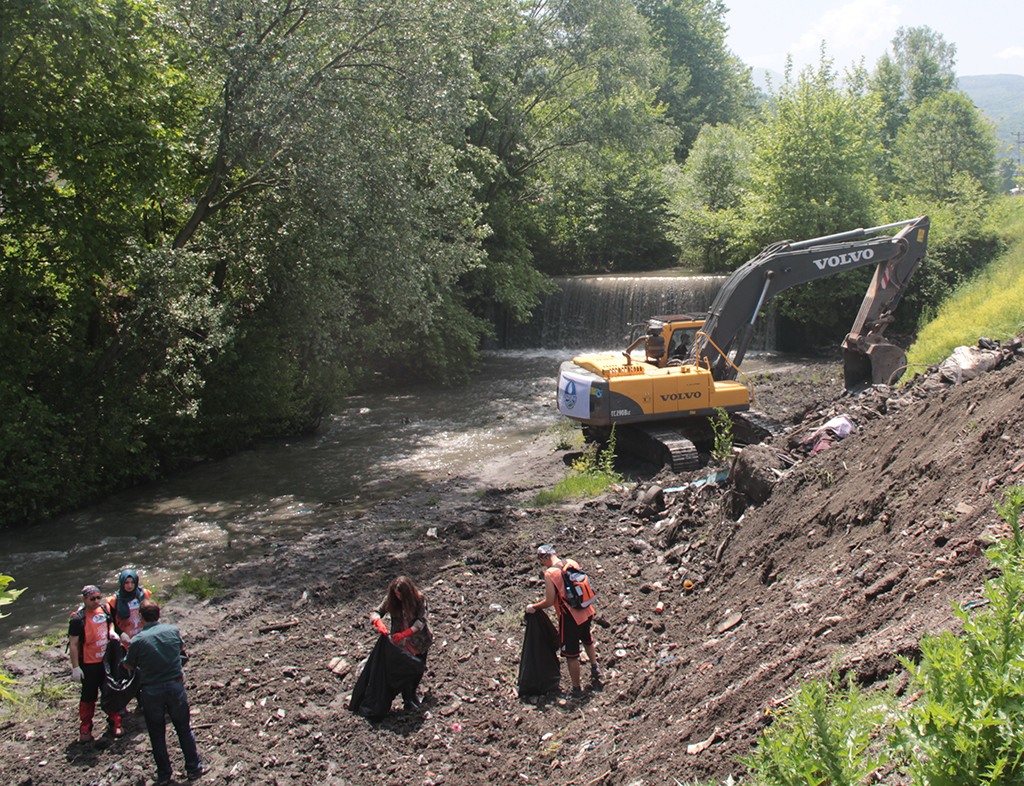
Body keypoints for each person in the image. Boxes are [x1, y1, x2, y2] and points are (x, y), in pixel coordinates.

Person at [124, 600, 208, 784]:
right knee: (184, 729)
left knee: (156, 733)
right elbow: (181, 651)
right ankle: (193, 768)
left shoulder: (137, 640)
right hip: (175, 686)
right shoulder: (172, 631)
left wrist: (126, 646)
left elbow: (129, 664)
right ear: (158, 615)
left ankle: (164, 774)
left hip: (151, 690)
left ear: (140, 617)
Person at [525, 544, 601, 699]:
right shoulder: (572, 562)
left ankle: (576, 690)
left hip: (570, 617)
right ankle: (595, 668)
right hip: (586, 610)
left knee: (571, 654)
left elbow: (550, 600)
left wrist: (534, 607)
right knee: (587, 639)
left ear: (544, 558)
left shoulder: (550, 573)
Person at [68, 584, 123, 741]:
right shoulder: (77, 619)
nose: (96, 601)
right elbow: (73, 644)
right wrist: (76, 667)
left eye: (99, 597)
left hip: (105, 661)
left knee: (111, 691)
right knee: (88, 697)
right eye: (92, 599)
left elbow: (110, 622)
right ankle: (85, 728)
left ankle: (115, 722)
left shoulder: (104, 610)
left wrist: (111, 631)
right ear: (84, 599)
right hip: (88, 663)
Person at [368, 576, 432, 711]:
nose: (398, 598)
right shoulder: (391, 601)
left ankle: (412, 694)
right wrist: (377, 621)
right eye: (396, 594)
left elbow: (421, 621)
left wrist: (407, 633)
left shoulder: (419, 600)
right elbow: (376, 612)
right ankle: (408, 699)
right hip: (401, 643)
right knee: (405, 670)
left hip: (418, 641)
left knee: (418, 668)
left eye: (401, 595)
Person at [110, 568, 152, 645]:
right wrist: (120, 634)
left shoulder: (143, 594)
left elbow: (151, 614)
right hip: (126, 639)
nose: (130, 586)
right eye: (126, 583)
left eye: (132, 582)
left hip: (144, 634)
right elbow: (111, 621)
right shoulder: (115, 600)